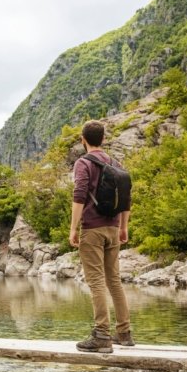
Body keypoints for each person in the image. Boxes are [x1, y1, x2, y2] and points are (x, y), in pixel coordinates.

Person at [69, 120, 134, 353]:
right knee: (114, 281)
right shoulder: (115, 162)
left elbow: (79, 196)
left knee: (96, 282)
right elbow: (125, 197)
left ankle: (101, 336)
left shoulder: (83, 163)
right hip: (113, 228)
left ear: (82, 139)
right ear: (103, 139)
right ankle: (124, 333)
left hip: (93, 229)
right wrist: (123, 226)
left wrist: (74, 228)